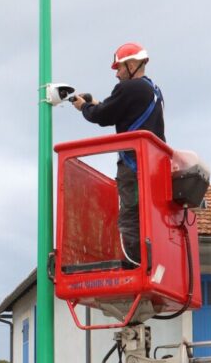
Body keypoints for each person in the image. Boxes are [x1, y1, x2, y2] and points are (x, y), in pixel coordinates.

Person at [71, 42, 165, 268]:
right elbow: (116, 109)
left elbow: (103, 116)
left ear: (132, 65)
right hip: (153, 167)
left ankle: (136, 265)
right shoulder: (152, 90)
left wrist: (84, 107)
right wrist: (94, 102)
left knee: (130, 216)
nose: (117, 74)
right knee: (147, 215)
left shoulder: (128, 88)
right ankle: (151, 262)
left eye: (119, 68)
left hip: (132, 166)